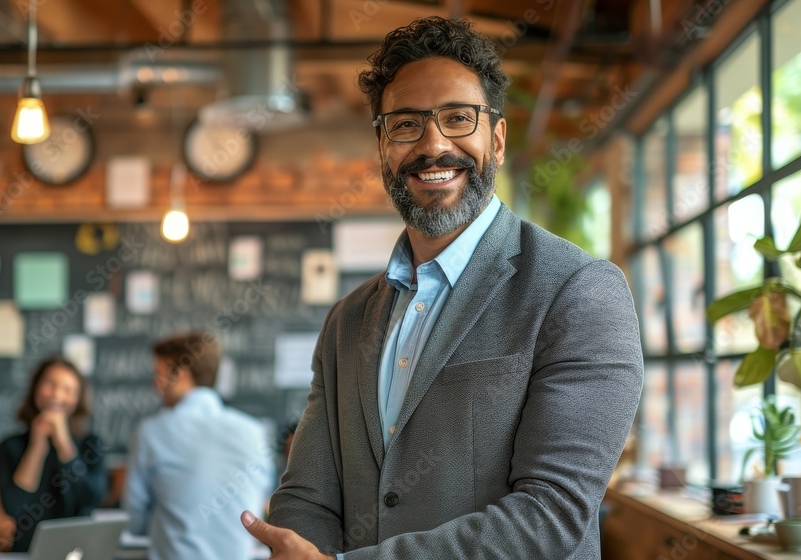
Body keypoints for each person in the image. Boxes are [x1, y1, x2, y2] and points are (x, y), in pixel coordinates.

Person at [240, 16, 644, 559]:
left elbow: (550, 515)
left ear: (496, 140)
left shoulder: (579, 291)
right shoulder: (347, 320)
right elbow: (309, 496)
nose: (433, 144)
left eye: (458, 118)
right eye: (406, 124)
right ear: (382, 147)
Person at [125, 331, 274, 560]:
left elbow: (133, 521)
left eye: (159, 375)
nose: (156, 385)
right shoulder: (254, 432)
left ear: (181, 374)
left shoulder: (152, 432)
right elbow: (259, 504)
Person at [0, 357, 107, 552]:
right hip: (28, 551)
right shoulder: (10, 446)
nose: (57, 395)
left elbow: (90, 499)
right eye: (50, 384)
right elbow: (14, 507)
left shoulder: (92, 444)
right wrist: (37, 446)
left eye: (68, 390)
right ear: (35, 388)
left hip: (79, 550)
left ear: (78, 399)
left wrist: (63, 442)